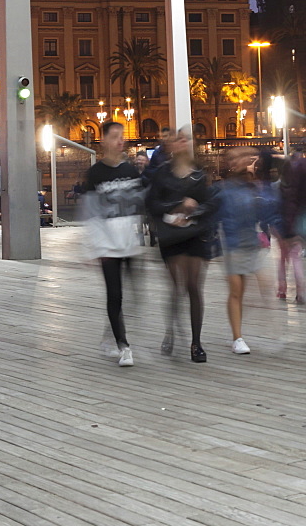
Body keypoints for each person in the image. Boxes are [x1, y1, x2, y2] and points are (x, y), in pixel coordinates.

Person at [146, 128, 217, 363]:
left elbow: (209, 204)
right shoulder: (161, 174)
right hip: (171, 235)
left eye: (188, 138)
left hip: (194, 233)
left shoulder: (199, 174)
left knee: (194, 286)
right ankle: (171, 330)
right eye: (179, 139)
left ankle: (196, 343)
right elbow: (153, 204)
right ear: (171, 146)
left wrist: (194, 210)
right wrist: (178, 205)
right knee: (176, 287)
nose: (184, 142)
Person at [82, 121, 146, 368]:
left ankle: (110, 334)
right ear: (104, 141)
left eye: (122, 136)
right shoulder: (96, 174)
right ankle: (124, 346)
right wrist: (93, 247)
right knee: (115, 294)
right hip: (107, 245)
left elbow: (140, 203)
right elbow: (90, 211)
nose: (121, 141)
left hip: (129, 242)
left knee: (135, 295)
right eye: (115, 136)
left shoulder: (131, 171)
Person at [214, 147, 269, 355]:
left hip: (251, 243)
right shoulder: (224, 189)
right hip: (232, 244)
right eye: (233, 158)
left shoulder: (253, 187)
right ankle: (237, 337)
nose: (238, 161)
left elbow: (266, 211)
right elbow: (213, 214)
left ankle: (251, 331)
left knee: (260, 286)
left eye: (242, 157)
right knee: (236, 291)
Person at [277, 153, 306, 303]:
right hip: (296, 225)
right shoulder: (298, 188)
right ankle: (300, 292)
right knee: (295, 258)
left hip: (285, 227)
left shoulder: (279, 186)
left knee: (284, 258)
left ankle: (282, 289)